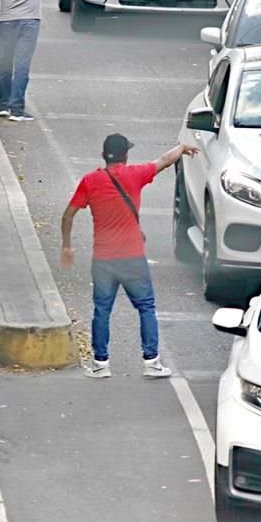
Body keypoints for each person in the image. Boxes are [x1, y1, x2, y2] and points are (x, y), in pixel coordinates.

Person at [60, 134, 200, 378]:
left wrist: (67, 246)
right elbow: (165, 160)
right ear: (125, 156)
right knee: (146, 307)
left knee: (102, 311)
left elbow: (68, 215)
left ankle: (100, 364)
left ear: (104, 156)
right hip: (133, 258)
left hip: (103, 260)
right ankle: (152, 361)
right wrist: (182, 147)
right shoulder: (135, 175)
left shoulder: (90, 181)